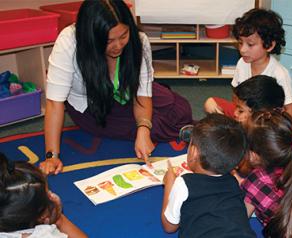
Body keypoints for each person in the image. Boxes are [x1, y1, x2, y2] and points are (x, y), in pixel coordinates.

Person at [40, 0, 192, 175]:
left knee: (181, 109)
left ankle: (172, 127)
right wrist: (52, 155)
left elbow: (142, 93)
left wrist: (143, 129)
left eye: (123, 35)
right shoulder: (69, 42)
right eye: (109, 41)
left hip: (126, 90)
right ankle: (180, 130)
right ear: (92, 36)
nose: (118, 45)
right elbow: (54, 103)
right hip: (91, 104)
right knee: (157, 125)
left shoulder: (139, 41)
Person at [161, 114, 256, 237]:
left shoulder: (184, 183)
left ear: (194, 152)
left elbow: (169, 226)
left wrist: (169, 184)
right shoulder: (233, 183)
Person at [203, 8, 292, 119]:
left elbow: (290, 111)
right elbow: (236, 97)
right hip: (243, 113)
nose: (242, 50)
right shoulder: (242, 63)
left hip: (264, 120)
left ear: (269, 45)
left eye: (250, 44)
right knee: (210, 103)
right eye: (240, 43)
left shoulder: (280, 74)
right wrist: (239, 111)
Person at [0, 152, 87, 238]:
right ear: (41, 216)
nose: (52, 195)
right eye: (47, 194)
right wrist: (60, 220)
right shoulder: (45, 235)